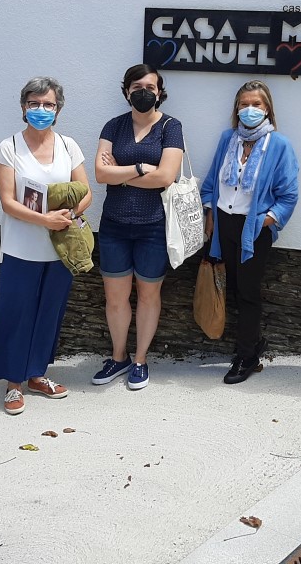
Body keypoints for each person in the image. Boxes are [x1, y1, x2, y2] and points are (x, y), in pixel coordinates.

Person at [0, 77, 91, 415]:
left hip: (59, 248)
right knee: (16, 313)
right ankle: (13, 383)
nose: (41, 110)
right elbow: (7, 202)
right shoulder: (9, 148)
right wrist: (44, 220)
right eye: (34, 103)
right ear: (23, 107)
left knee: (50, 312)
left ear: (58, 109)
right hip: (20, 248)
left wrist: (68, 214)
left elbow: (86, 191)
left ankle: (36, 374)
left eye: (48, 104)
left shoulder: (68, 146)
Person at [200, 80, 299, 384]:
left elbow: (288, 195)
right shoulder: (227, 139)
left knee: (248, 293)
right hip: (224, 224)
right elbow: (212, 182)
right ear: (237, 108)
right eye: (244, 104)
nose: (250, 109)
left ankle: (246, 357)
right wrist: (209, 213)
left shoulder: (278, 145)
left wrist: (263, 221)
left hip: (253, 230)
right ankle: (253, 344)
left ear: (267, 108)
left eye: (256, 104)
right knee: (232, 288)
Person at [93, 64, 184, 390]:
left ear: (159, 93)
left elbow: (166, 177)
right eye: (136, 87)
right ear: (126, 91)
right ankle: (118, 357)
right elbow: (100, 174)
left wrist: (122, 172)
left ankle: (141, 360)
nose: (143, 92)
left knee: (148, 296)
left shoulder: (171, 127)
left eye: (150, 87)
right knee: (115, 299)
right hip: (114, 226)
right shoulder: (113, 126)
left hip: (153, 227)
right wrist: (143, 168)